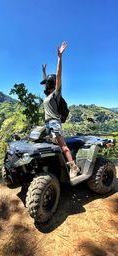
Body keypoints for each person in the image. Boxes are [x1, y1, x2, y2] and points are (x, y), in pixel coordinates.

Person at [40, 41, 79, 179]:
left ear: (51, 84)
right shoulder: (47, 95)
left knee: (63, 146)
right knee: (51, 145)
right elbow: (46, 81)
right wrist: (44, 71)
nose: (44, 85)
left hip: (55, 122)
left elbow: (58, 75)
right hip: (48, 123)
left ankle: (73, 167)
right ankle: (58, 166)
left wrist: (59, 58)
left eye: (47, 83)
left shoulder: (56, 94)